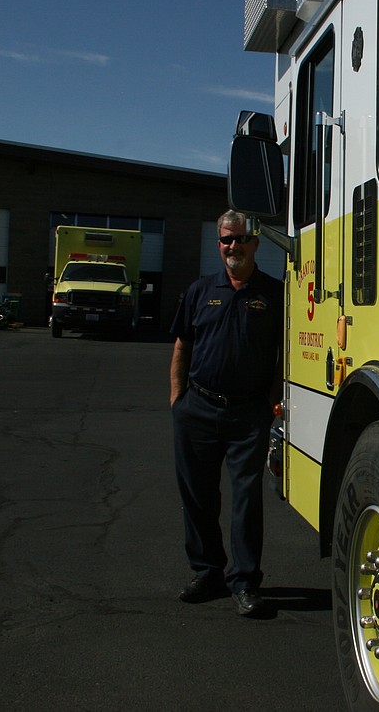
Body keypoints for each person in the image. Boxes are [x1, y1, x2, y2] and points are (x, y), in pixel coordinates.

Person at [169, 210, 283, 617]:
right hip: (197, 409)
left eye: (239, 239)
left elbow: (282, 359)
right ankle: (207, 572)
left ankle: (245, 582)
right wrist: (178, 400)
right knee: (198, 497)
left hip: (248, 414)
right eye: (225, 240)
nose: (232, 246)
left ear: (255, 243)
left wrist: (271, 404)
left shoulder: (274, 294)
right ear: (218, 244)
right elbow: (182, 346)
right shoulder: (200, 292)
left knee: (245, 502)